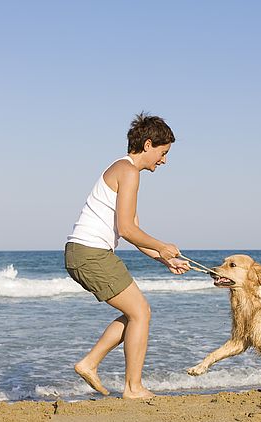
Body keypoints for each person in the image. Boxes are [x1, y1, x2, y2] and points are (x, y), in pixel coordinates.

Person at [64, 113, 189, 399]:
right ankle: (133, 387)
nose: (164, 160)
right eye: (163, 152)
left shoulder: (123, 169)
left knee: (135, 313)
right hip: (89, 252)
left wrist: (164, 258)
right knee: (141, 312)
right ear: (148, 145)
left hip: (85, 252)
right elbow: (127, 229)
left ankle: (90, 363)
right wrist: (163, 244)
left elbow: (132, 231)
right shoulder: (128, 171)